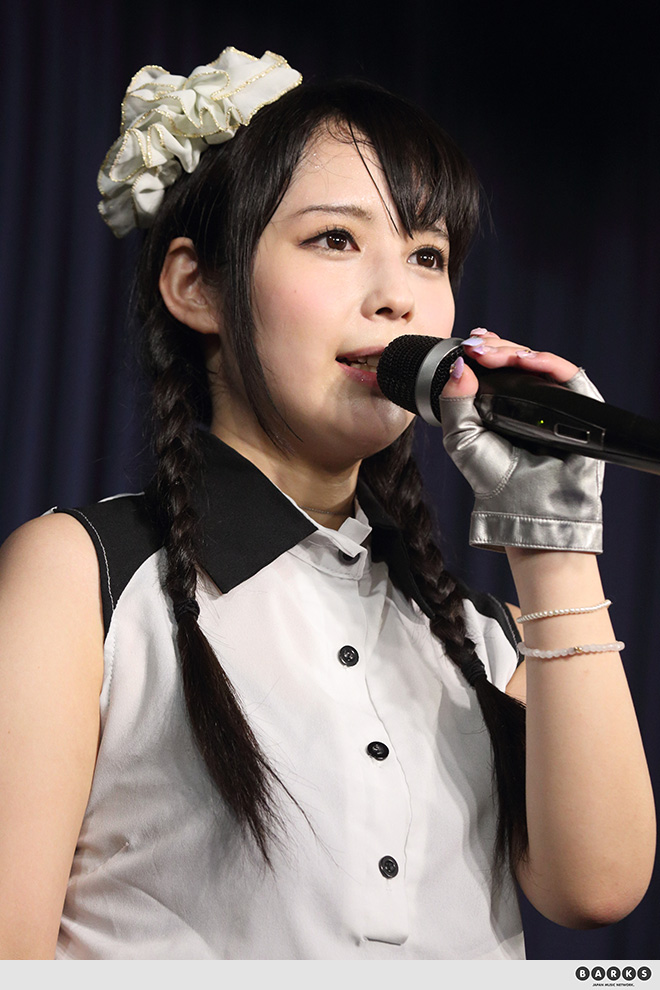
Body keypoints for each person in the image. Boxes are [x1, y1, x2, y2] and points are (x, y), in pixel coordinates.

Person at [0, 46, 655, 961]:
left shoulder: (480, 632)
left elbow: (598, 889)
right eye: (335, 240)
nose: (397, 297)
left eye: (427, 255)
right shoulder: (85, 573)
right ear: (196, 286)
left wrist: (553, 547)